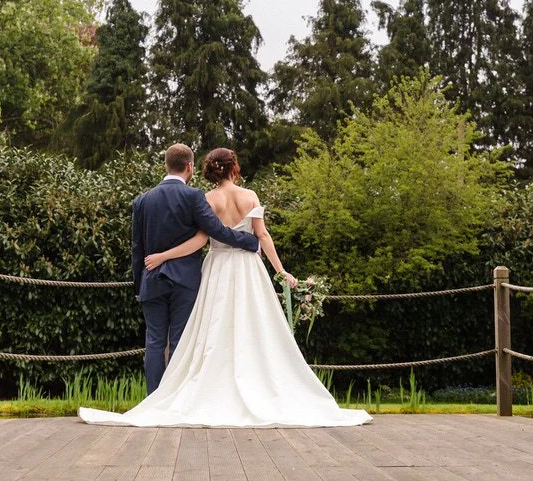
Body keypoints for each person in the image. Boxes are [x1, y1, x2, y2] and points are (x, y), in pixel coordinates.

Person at [78, 148, 371, 428]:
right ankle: (254, 385)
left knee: (204, 331)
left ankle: (167, 394)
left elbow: (203, 239)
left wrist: (150, 269)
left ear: (207, 169)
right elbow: (263, 235)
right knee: (253, 328)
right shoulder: (249, 196)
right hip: (248, 269)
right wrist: (280, 269)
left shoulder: (206, 198)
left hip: (216, 269)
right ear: (234, 167)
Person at [130, 143, 259, 394]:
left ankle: (153, 398)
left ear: (166, 165)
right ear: (189, 167)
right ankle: (174, 397)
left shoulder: (142, 201)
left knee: (154, 342)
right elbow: (216, 231)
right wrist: (249, 242)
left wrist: (139, 284)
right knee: (180, 340)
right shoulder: (193, 196)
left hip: (152, 279)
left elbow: (137, 249)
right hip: (184, 281)